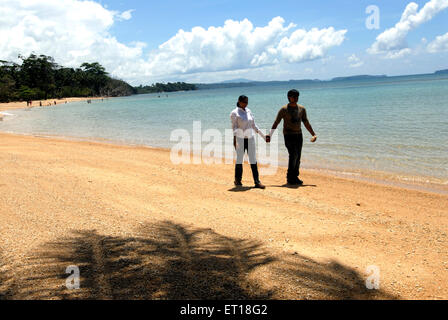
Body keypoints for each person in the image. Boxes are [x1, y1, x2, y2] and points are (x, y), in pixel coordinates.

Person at [266, 89, 317, 185]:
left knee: (298, 157)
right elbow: (276, 122)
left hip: (299, 135)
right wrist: (270, 135)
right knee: (293, 155)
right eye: (293, 96)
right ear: (289, 97)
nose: (296, 98)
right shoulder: (284, 109)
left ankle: (295, 176)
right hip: (288, 135)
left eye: (297, 96)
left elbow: (306, 122)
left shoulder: (302, 109)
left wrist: (313, 134)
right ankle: (290, 177)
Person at [230, 95, 267, 189]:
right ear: (239, 101)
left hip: (250, 138)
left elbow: (254, 125)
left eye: (247, 102)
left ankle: (257, 182)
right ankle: (238, 180)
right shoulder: (234, 113)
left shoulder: (249, 111)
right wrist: (235, 140)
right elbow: (234, 127)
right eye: (244, 102)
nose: (246, 104)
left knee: (253, 160)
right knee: (239, 160)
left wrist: (263, 136)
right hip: (240, 139)